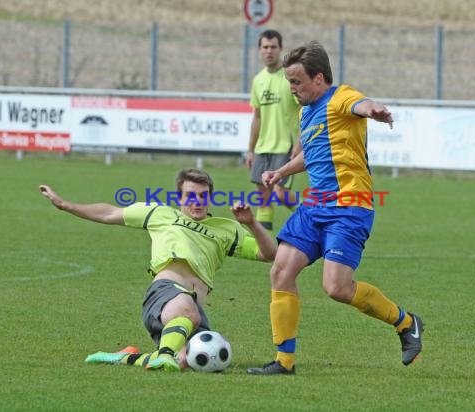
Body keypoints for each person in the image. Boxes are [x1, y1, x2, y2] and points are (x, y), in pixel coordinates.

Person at [247, 41, 424, 375]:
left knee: (337, 288)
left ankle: (406, 322)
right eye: (289, 82)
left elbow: (362, 104)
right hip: (316, 204)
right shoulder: (306, 111)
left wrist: (375, 110)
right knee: (281, 271)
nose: (292, 88)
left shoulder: (340, 97)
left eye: (297, 81)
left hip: (350, 205)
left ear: (319, 78)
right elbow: (311, 154)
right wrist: (282, 171)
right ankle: (284, 362)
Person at [39, 168, 277, 372]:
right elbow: (110, 213)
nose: (197, 201)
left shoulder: (227, 229)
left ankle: (126, 356)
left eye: (203, 196)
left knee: (186, 361)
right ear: (179, 197)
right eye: (190, 196)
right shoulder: (160, 214)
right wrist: (65, 205)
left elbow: (270, 255)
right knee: (187, 318)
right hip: (165, 292)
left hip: (194, 307)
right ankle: (164, 353)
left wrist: (252, 224)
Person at [246, 29, 301, 233]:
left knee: (279, 193)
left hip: (286, 145)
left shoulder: (290, 78)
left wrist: (299, 141)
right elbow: (257, 117)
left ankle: (314, 212)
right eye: (265, 47)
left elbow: (303, 110)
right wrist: (250, 150)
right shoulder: (258, 80)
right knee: (263, 193)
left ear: (281, 49)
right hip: (263, 146)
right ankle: (265, 242)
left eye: (273, 47)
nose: (269, 51)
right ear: (260, 50)